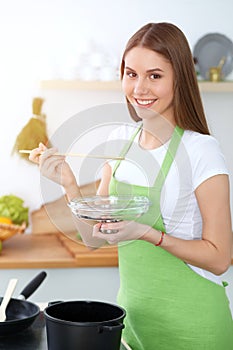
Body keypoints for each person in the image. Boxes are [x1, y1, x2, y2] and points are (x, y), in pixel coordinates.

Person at [29, 22, 233, 349]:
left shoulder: (201, 151)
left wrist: (147, 233)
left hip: (193, 327)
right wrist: (69, 183)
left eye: (155, 75)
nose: (139, 88)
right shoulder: (121, 141)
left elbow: (221, 257)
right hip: (132, 324)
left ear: (179, 78)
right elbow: (93, 237)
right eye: (131, 73)